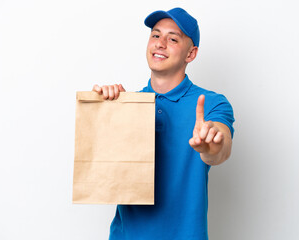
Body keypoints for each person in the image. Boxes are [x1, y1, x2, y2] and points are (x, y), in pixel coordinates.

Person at [93, 7, 235, 240]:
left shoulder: (210, 103)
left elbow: (221, 148)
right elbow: (102, 167)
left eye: (173, 39)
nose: (160, 43)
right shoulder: (127, 104)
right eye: (156, 35)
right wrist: (104, 110)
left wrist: (211, 146)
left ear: (191, 54)